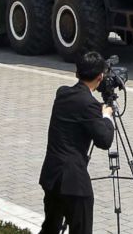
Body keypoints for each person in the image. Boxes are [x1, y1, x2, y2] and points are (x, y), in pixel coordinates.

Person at [38, 52, 115, 234]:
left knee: (50, 228)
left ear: (76, 73)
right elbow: (104, 140)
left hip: (52, 176)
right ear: (100, 77)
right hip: (73, 183)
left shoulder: (62, 93)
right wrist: (106, 116)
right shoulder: (90, 105)